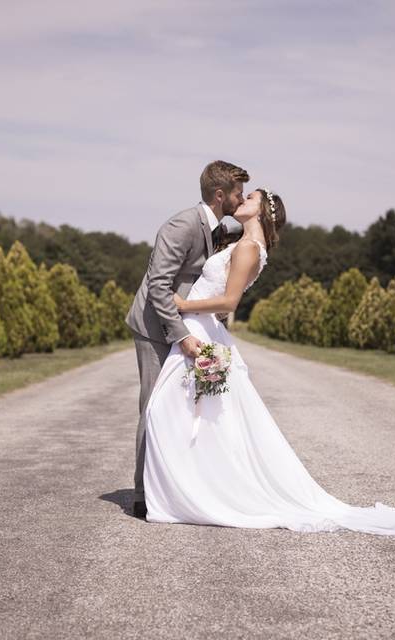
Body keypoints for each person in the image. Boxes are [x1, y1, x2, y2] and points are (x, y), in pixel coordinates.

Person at [142, 187, 395, 538]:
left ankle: (197, 494)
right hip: (202, 329)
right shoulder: (244, 243)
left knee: (168, 410)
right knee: (192, 415)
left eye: (250, 199)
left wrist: (182, 305)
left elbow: (228, 303)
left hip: (200, 326)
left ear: (261, 213)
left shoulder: (246, 248)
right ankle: (195, 490)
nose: (241, 201)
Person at [125, 160, 249, 519]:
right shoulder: (182, 225)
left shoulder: (217, 228)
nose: (241, 199)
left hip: (184, 326)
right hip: (155, 329)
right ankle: (142, 495)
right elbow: (159, 286)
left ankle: (171, 486)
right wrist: (180, 336)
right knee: (153, 407)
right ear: (220, 194)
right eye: (237, 193)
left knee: (178, 410)